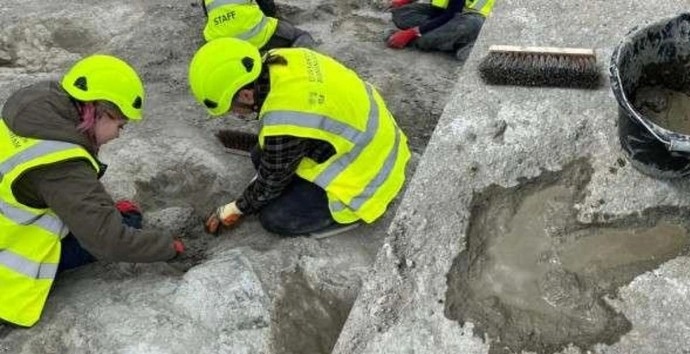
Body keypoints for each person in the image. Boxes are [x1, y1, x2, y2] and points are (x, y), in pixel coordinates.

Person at [0, 55, 185, 328]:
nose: (118, 135)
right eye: (120, 125)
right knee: (128, 223)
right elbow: (109, 241)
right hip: (9, 258)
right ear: (102, 112)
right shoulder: (62, 165)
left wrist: (102, 208)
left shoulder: (35, 104)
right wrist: (167, 247)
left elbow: (67, 188)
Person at [188, 38, 411, 237]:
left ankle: (345, 216)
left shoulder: (285, 119)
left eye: (232, 108)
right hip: (370, 136)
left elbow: (269, 186)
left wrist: (236, 208)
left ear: (246, 95)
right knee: (260, 156)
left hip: (369, 176)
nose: (235, 114)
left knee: (274, 217)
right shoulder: (284, 57)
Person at [385, 0, 496, 61]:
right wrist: (405, 1)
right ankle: (452, 39)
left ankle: (466, 41)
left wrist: (412, 33)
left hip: (473, 18)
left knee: (428, 39)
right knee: (402, 14)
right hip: (444, 11)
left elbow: (450, 14)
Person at [201, 0, 314, 51]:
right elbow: (268, 8)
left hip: (222, 44)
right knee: (299, 36)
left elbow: (209, 15)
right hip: (257, 37)